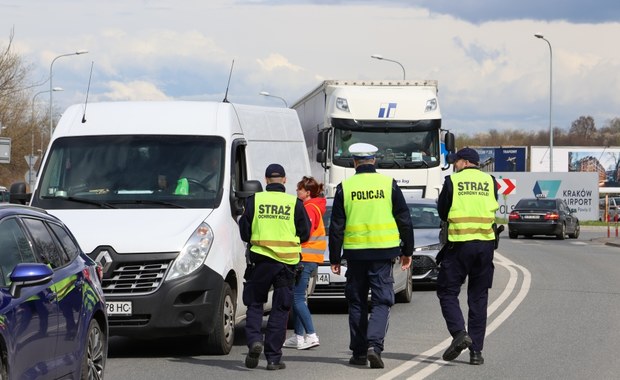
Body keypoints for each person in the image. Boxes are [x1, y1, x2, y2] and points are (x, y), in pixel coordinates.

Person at [329, 143, 414, 369]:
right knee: (382, 300)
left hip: (355, 255)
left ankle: (358, 353)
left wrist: (335, 258)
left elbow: (336, 227)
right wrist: (408, 251)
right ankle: (374, 347)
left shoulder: (344, 187)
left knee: (356, 302)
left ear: (354, 162)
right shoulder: (388, 184)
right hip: (383, 253)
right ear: (373, 161)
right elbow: (404, 219)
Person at [239, 163, 310, 371]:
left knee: (255, 303)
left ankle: (254, 341)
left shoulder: (254, 200)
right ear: (285, 180)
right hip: (286, 264)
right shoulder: (294, 203)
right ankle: (273, 358)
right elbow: (305, 233)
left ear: (266, 180)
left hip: (260, 262)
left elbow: (244, 232)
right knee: (280, 309)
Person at [436, 147, 499, 366]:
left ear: (464, 162)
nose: (454, 164)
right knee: (478, 298)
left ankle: (459, 333)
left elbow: (443, 212)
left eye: (456, 161)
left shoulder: (452, 182)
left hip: (460, 246)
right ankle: (476, 353)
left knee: (447, 291)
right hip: (485, 246)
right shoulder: (490, 181)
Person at [283, 176, 326, 350]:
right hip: (310, 258)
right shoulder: (314, 206)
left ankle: (311, 335)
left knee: (298, 298)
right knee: (299, 298)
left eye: (299, 189)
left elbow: (304, 233)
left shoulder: (309, 208)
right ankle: (298, 336)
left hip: (305, 258)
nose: (296, 192)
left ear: (307, 192)